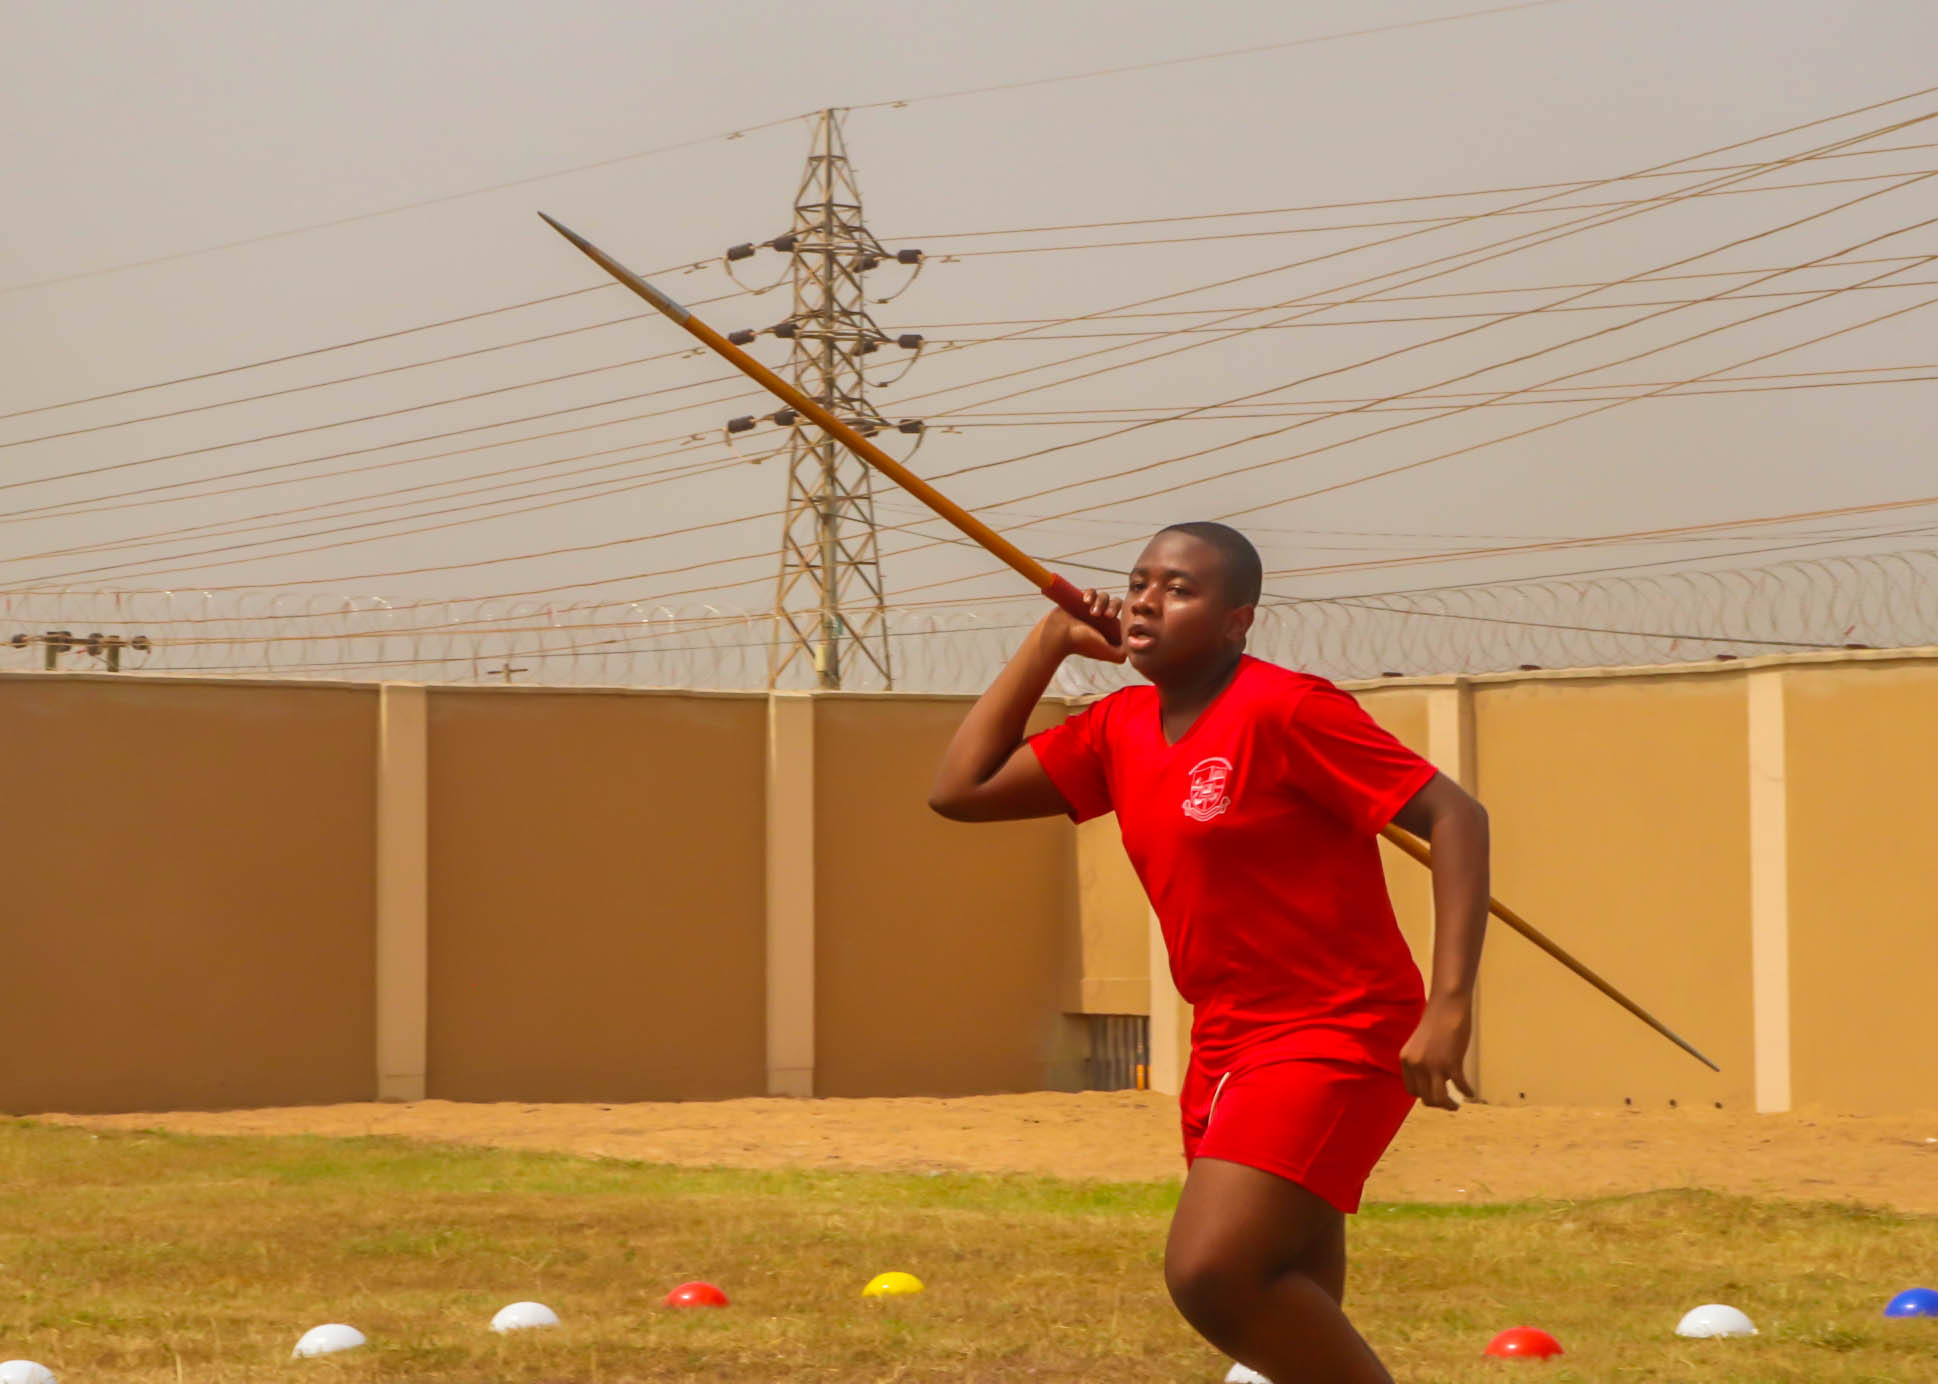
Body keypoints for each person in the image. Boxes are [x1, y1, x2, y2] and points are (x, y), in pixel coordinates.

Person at [928, 521, 1490, 1384]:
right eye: (1140, 581)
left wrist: (1448, 1006)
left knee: (1213, 1273)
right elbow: (959, 790)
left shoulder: (1287, 708)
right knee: (1286, 1290)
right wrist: (1046, 642)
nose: (1148, 599)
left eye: (1180, 588)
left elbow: (1455, 816)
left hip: (1334, 1029)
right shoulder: (1115, 728)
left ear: (1238, 622)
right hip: (1224, 1043)